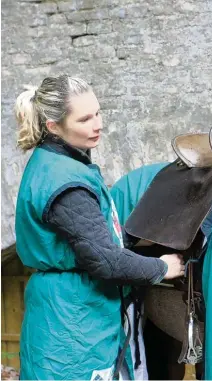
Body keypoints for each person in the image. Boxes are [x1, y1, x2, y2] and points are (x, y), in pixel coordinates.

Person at [14, 74, 184, 380]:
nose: (98, 124)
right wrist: (161, 267)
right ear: (54, 127)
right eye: (84, 119)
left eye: (98, 112)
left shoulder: (54, 163)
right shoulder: (66, 183)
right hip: (73, 321)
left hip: (66, 310)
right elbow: (106, 261)